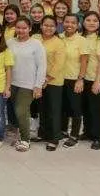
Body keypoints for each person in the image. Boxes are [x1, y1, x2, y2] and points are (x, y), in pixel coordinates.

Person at [8, 17, 46, 152]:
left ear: (29, 28)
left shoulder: (36, 44)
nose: (21, 30)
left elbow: (41, 66)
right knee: (18, 112)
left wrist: (38, 85)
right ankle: (20, 136)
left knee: (21, 110)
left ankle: (25, 139)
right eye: (18, 27)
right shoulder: (10, 42)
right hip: (12, 82)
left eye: (24, 28)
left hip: (28, 84)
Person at [34, 15, 65, 150]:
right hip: (37, 81)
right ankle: (43, 134)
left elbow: (59, 64)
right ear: (41, 25)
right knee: (42, 109)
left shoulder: (59, 42)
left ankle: (54, 138)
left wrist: (46, 79)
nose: (48, 28)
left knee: (53, 110)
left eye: (51, 26)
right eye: (45, 25)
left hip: (53, 82)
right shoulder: (35, 38)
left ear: (56, 27)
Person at [60, 14, 89, 148]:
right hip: (60, 79)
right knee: (64, 106)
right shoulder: (59, 37)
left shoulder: (81, 40)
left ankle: (74, 134)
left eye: (73, 22)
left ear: (78, 24)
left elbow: (84, 61)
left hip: (74, 79)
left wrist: (80, 79)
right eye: (67, 22)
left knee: (75, 107)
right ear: (63, 22)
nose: (69, 25)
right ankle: (63, 130)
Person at [80, 11, 100, 149]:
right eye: (88, 20)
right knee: (85, 107)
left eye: (95, 21)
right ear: (83, 22)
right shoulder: (81, 37)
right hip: (83, 78)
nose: (91, 23)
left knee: (96, 109)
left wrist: (97, 81)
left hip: (96, 79)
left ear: (99, 24)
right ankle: (87, 132)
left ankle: (98, 137)